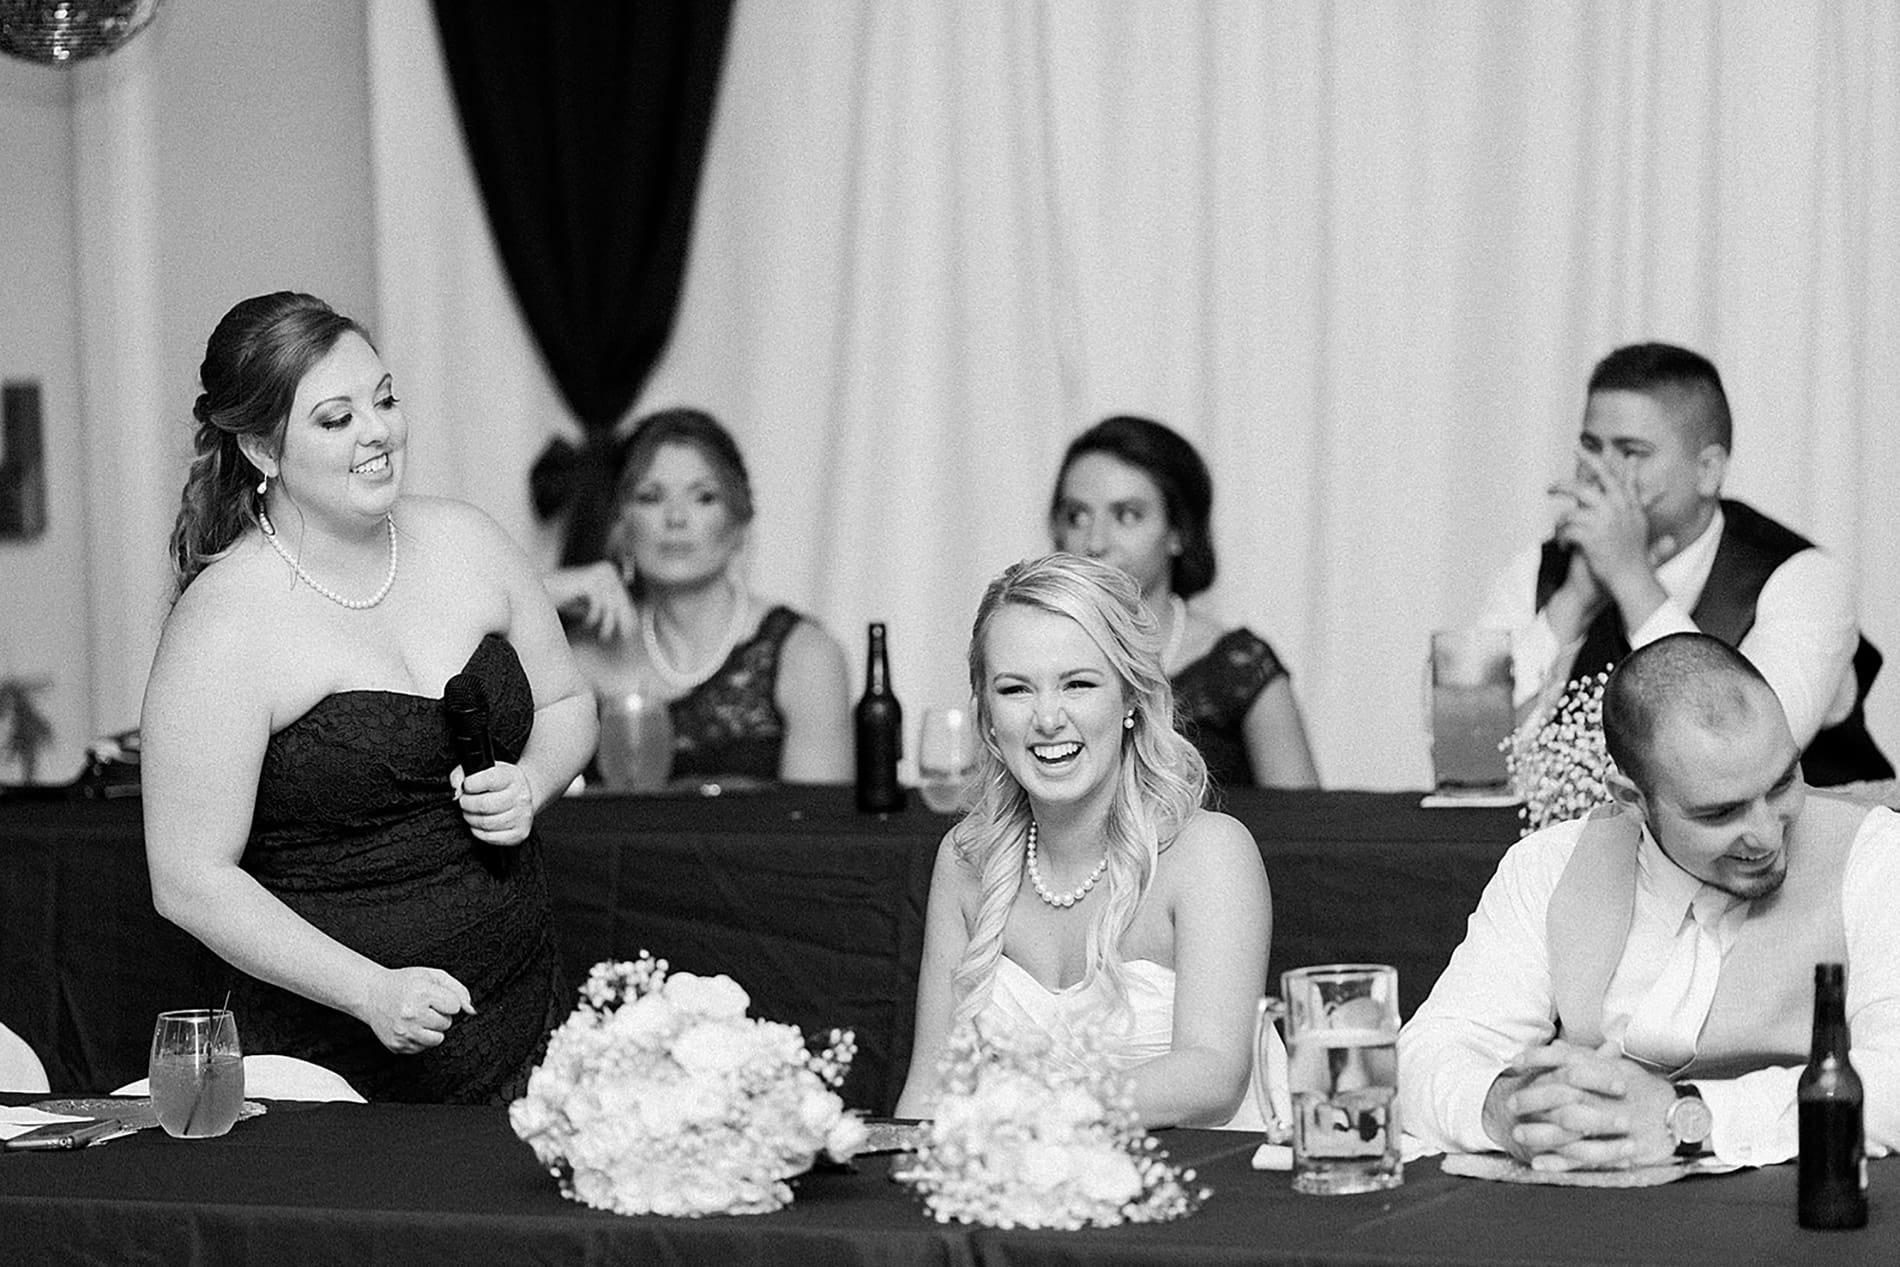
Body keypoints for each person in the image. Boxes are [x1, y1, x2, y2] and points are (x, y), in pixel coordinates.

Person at [142, 292, 597, 1104]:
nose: (378, 431)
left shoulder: (469, 539)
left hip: (527, 1014)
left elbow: (566, 701)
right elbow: (188, 877)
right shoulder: (225, 621)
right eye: (335, 418)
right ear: (261, 447)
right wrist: (368, 989)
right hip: (336, 1063)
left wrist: (532, 781)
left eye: (384, 399)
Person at [1399, 633, 1900, 1169]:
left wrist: (1688, 1116)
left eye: (1781, 785)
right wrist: (1505, 1108)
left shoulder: (1874, 855)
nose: (1766, 833)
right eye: (1719, 814)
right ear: (1632, 799)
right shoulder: (1549, 866)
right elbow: (1432, 1050)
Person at [894, 553, 1281, 1130]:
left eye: (1078, 683)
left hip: (1217, 1194)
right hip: (1023, 1199)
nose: (1048, 717)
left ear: (1130, 698)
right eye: (1016, 689)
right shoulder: (965, 858)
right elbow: (928, 1089)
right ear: (987, 716)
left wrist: (1024, 1110)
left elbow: (1214, 1079)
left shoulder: (1209, 853)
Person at [1477, 342, 1890, 786]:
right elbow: (1469, 757)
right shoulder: (1538, 571)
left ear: (1708, 470)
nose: (1601, 472)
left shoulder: (1802, 579)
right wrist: (1573, 601)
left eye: (1632, 452)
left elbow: (1744, 760)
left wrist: (1631, 578)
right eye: (1592, 447)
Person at [548, 409, 851, 785]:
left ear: (740, 523)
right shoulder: (582, 657)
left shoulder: (805, 656)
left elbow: (818, 835)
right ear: (620, 526)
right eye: (650, 497)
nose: (676, 518)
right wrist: (546, 591)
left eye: (703, 497)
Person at [1049, 415, 1318, 789]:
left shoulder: (1238, 666)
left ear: (1178, 532)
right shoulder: (1033, 654)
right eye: (1077, 516)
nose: (1095, 542)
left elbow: (1306, 828)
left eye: (1127, 515)